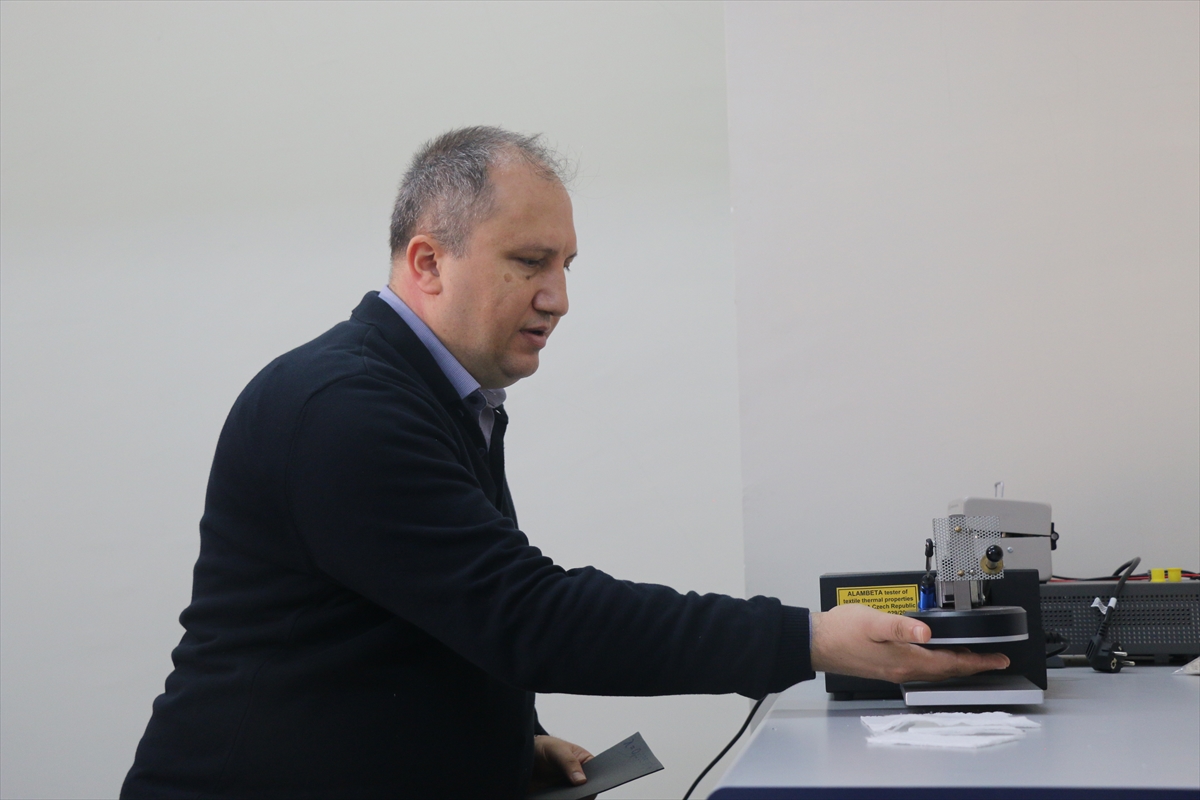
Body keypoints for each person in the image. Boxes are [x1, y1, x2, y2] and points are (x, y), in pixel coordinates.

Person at [121, 127, 1007, 799]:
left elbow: (433, 613)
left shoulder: (440, 398)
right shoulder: (343, 410)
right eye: (530, 263)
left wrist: (508, 741)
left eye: (567, 265)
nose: (560, 298)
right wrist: (805, 639)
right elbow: (528, 615)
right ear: (427, 262)